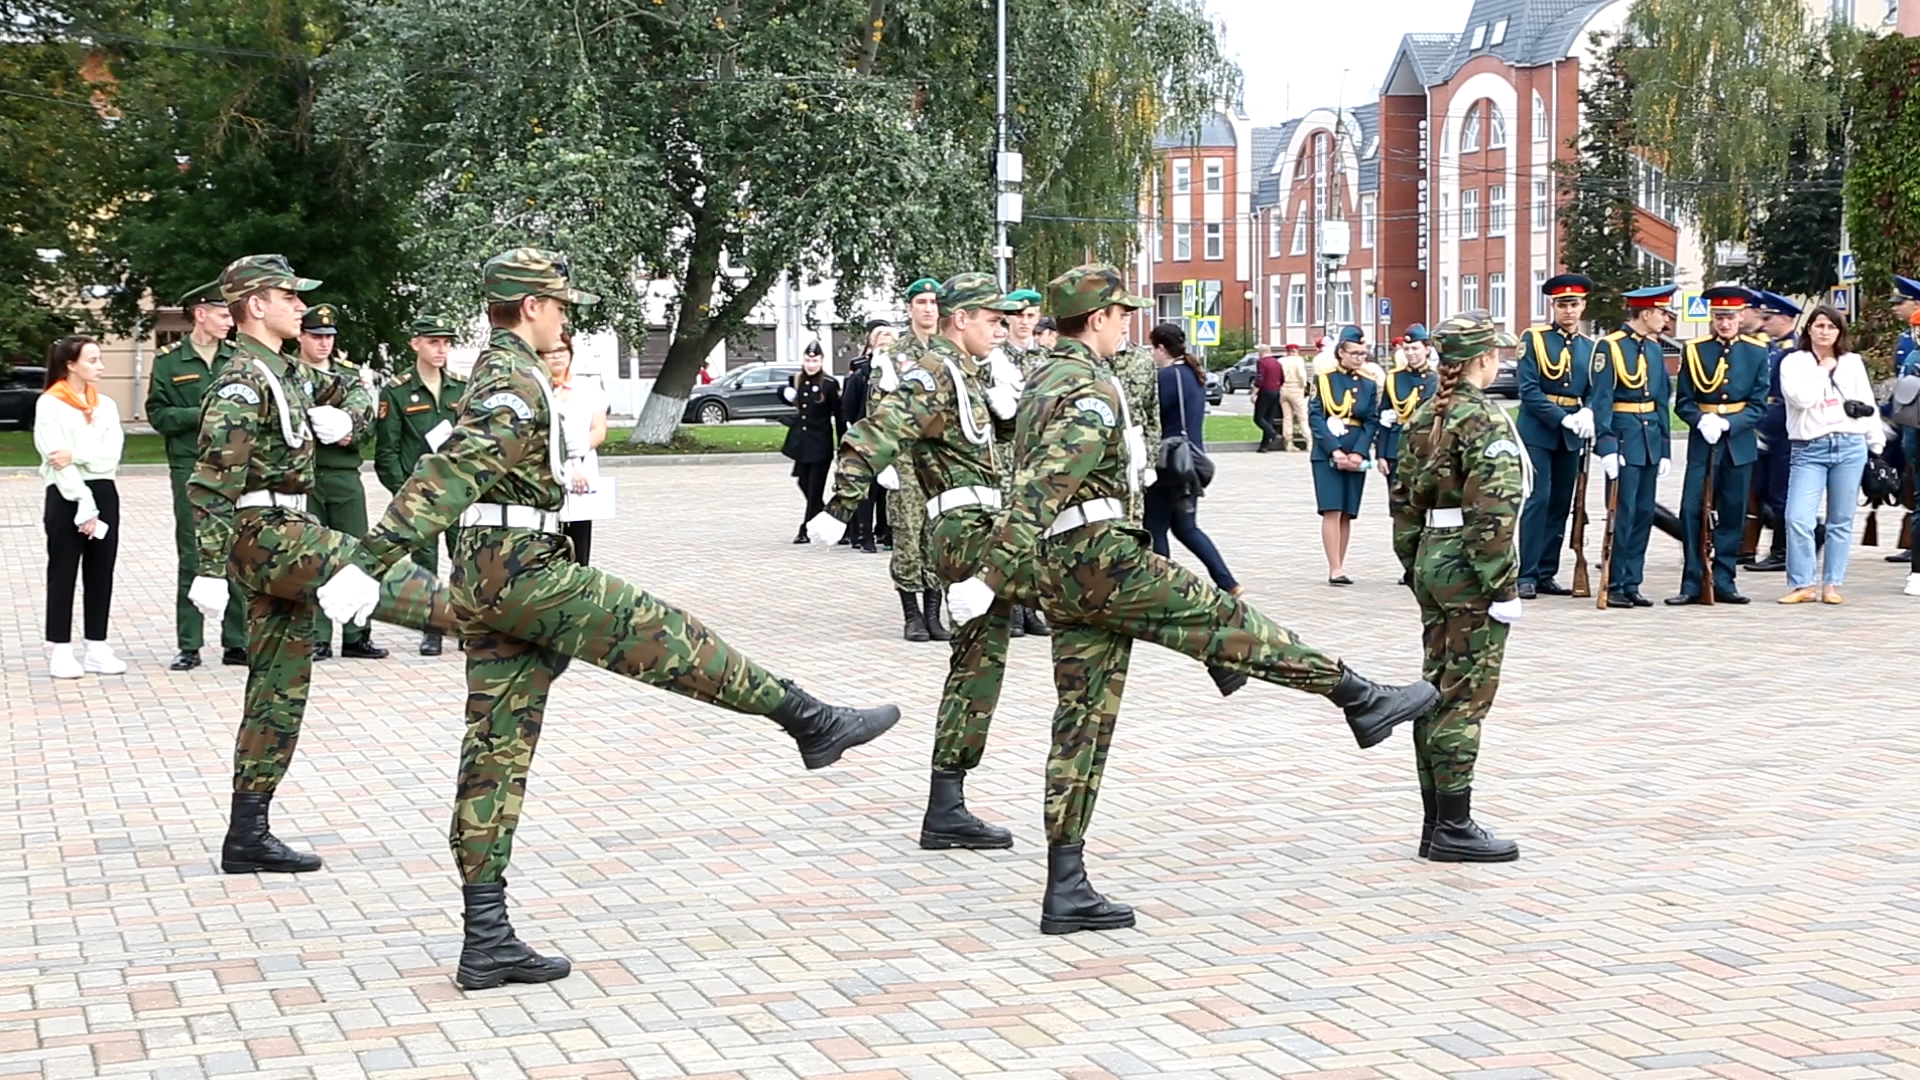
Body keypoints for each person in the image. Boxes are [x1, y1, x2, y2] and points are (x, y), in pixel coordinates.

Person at [315, 247, 899, 989]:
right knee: (665, 634)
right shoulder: (510, 377)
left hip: (499, 571)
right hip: (527, 572)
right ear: (530, 306)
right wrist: (370, 562)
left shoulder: (502, 372)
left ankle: (486, 935)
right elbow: (450, 473)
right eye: (559, 304)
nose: (565, 316)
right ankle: (807, 719)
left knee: (496, 748)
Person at [943, 263, 1439, 935]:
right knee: (1228, 620)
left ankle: (1067, 885)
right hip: (1102, 560)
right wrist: (989, 579)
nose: (1127, 326)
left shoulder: (1041, 378)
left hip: (1066, 568)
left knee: (1082, 722)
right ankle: (1358, 697)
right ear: (1097, 320)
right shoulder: (1086, 383)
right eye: (1121, 316)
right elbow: (1043, 486)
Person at [187, 254, 458, 878]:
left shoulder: (286, 371)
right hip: (267, 532)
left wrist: (348, 423)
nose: (301, 308)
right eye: (289, 297)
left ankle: (247, 833)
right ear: (256, 304)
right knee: (365, 568)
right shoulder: (240, 380)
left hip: (289, 523)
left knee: (279, 687)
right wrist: (207, 567)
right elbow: (209, 482)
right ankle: (497, 622)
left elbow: (360, 391)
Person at [807, 272, 1027, 851]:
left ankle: (946, 805)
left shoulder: (967, 373)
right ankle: (1204, 634)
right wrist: (840, 505)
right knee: (1099, 580)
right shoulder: (932, 373)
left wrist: (1009, 413)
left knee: (980, 663)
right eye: (991, 319)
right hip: (964, 530)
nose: (1000, 330)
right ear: (962, 320)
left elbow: (978, 439)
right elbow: (874, 432)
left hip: (984, 524)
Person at [1388, 311, 1525, 862]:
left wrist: (1414, 560)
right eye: (1497, 354)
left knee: (1436, 689)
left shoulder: (1425, 414)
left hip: (1431, 556)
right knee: (1465, 698)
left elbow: (1401, 501)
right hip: (1469, 568)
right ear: (1483, 360)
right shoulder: (1482, 420)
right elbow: (1493, 510)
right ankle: (1454, 825)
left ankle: (1436, 820)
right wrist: (1503, 585)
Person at [148, 282, 249, 670]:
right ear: (200, 313)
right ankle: (189, 644)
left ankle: (236, 642)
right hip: (190, 469)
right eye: (224, 315)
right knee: (192, 554)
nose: (230, 322)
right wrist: (203, 415)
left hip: (235, 469)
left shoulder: (237, 358)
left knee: (236, 552)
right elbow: (159, 415)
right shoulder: (170, 361)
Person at [1666, 286, 1770, 606]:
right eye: (1719, 317)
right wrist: (1701, 420)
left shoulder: (1756, 352)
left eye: (1730, 317)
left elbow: (1758, 404)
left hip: (1737, 441)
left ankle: (1724, 579)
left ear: (1741, 317)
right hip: (1703, 441)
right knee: (1691, 510)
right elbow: (1683, 402)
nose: (1724, 323)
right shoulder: (1695, 350)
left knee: (1733, 512)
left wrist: (1729, 423)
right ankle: (1692, 580)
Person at [293, 303, 385, 660]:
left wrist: (349, 427)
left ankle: (357, 634)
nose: (324, 344)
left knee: (355, 554)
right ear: (301, 336)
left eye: (329, 337)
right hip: (306, 475)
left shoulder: (348, 375)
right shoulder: (288, 373)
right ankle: (317, 635)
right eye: (316, 336)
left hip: (344, 474)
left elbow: (367, 422)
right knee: (314, 558)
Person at [1777, 305, 1884, 604]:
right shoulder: (1793, 363)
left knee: (1841, 518)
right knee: (1797, 516)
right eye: (1819, 325)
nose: (1825, 332)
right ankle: (1802, 583)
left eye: (1831, 327)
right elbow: (1802, 399)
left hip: (1849, 445)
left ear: (1840, 332)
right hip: (1810, 447)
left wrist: (1876, 444)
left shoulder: (1852, 362)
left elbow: (1866, 403)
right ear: (1808, 328)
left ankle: (1832, 584)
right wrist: (1822, 369)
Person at [375, 314, 468, 655]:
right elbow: (387, 452)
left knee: (463, 559)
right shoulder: (397, 391)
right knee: (425, 561)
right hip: (420, 494)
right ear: (415, 344)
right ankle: (432, 627)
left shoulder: (461, 387)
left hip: (458, 491)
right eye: (433, 341)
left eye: (445, 342)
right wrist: (405, 494)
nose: (441, 349)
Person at [37, 335, 126, 679]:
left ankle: (97, 645)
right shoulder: (50, 404)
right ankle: (60, 649)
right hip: (66, 495)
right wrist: (82, 501)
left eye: (100, 359)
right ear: (70, 364)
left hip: (104, 490)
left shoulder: (106, 405)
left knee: (100, 570)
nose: (99, 366)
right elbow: (55, 457)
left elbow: (111, 454)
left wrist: (77, 453)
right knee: (63, 572)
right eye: (92, 360)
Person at [1514, 274, 1607, 600]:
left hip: (1572, 436)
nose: (1568, 310)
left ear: (1583, 306)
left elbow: (1598, 390)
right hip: (1539, 430)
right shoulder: (1534, 340)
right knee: (1537, 500)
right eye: (1562, 304)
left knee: (1562, 503)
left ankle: (1546, 572)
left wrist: (1589, 412)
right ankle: (1526, 573)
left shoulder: (1591, 347)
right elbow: (1528, 391)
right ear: (1552, 306)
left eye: (1574, 304)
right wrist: (1563, 418)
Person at [1595, 286, 1676, 608]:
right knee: (1623, 513)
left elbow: (1660, 402)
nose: (1665, 319)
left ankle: (1632, 582)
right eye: (1661, 313)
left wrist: (1666, 447)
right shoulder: (1610, 347)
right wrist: (1607, 444)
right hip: (1624, 439)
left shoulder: (1655, 349)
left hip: (1649, 441)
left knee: (1643, 513)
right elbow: (1601, 399)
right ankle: (1614, 582)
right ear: (1645, 314)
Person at [1144, 323, 1238, 595]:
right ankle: (1228, 582)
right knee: (1185, 527)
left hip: (1169, 462)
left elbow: (1152, 413)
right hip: (1192, 462)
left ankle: (1163, 588)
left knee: (1154, 527)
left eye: (1153, 349)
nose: (1153, 355)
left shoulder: (1168, 377)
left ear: (1161, 348)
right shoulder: (1193, 373)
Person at [881, 277, 946, 641]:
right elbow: (879, 410)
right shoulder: (893, 356)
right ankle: (912, 615)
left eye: (933, 302)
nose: (928, 308)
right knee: (907, 533)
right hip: (906, 456)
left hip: (940, 457)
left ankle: (935, 614)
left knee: (937, 534)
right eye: (921, 302)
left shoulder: (949, 351)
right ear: (909, 308)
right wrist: (884, 459)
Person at [1309, 326, 1381, 585]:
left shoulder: (1368, 383)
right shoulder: (1324, 380)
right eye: (1354, 353)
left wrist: (1359, 453)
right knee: (1332, 507)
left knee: (1347, 511)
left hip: (1355, 451)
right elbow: (1316, 418)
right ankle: (1334, 567)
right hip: (1329, 451)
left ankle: (1341, 563)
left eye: (1363, 354)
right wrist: (1335, 450)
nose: (1359, 358)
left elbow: (1371, 421)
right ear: (1341, 352)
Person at [540, 330, 609, 567]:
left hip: (582, 475)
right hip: (546, 472)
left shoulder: (588, 388)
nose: (556, 357)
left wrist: (574, 456)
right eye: (550, 352)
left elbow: (598, 430)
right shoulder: (537, 389)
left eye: (561, 350)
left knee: (578, 547)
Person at [1748, 291, 1804, 574]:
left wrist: (1764, 426)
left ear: (1785, 318)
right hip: (1768, 430)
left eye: (1768, 317)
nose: (1763, 322)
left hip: (1783, 433)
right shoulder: (1772, 347)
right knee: (1764, 491)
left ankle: (1782, 551)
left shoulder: (1794, 350)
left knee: (1780, 494)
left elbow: (1784, 399)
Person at [840, 320, 894, 553]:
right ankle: (864, 536)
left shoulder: (903, 372)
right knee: (868, 489)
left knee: (891, 490)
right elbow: (849, 407)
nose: (885, 349)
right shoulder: (862, 372)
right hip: (867, 438)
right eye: (881, 345)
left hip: (894, 437)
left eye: (890, 345)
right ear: (872, 346)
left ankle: (889, 533)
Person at [781, 341, 842, 543]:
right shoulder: (798, 380)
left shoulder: (829, 384)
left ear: (822, 361)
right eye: (808, 360)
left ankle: (805, 528)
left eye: (815, 360)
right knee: (803, 482)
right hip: (802, 443)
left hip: (820, 442)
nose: (811, 364)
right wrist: (784, 394)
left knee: (815, 487)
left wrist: (844, 443)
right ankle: (828, 516)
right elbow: (786, 396)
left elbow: (839, 415)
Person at [1375, 323, 1439, 485]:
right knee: (1397, 501)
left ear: (1427, 349)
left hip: (1425, 448)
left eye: (1415, 348)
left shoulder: (1436, 379)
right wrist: (1381, 454)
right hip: (1396, 448)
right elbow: (1384, 417)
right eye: (1406, 349)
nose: (1411, 354)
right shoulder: (1394, 378)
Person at [1250, 344, 1283, 452]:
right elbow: (1283, 378)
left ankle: (1272, 433)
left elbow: (1260, 379)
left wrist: (1254, 393)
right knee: (1269, 418)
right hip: (1276, 391)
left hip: (1265, 392)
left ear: (1261, 352)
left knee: (1258, 418)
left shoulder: (1261, 362)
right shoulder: (1277, 362)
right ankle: (1264, 446)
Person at [1278, 343, 1310, 451]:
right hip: (1296, 388)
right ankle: (1309, 441)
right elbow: (1301, 375)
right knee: (1302, 416)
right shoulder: (1298, 360)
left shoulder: (1281, 361)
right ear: (1296, 351)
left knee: (1287, 417)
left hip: (1283, 389)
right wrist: (1304, 385)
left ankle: (1288, 442)